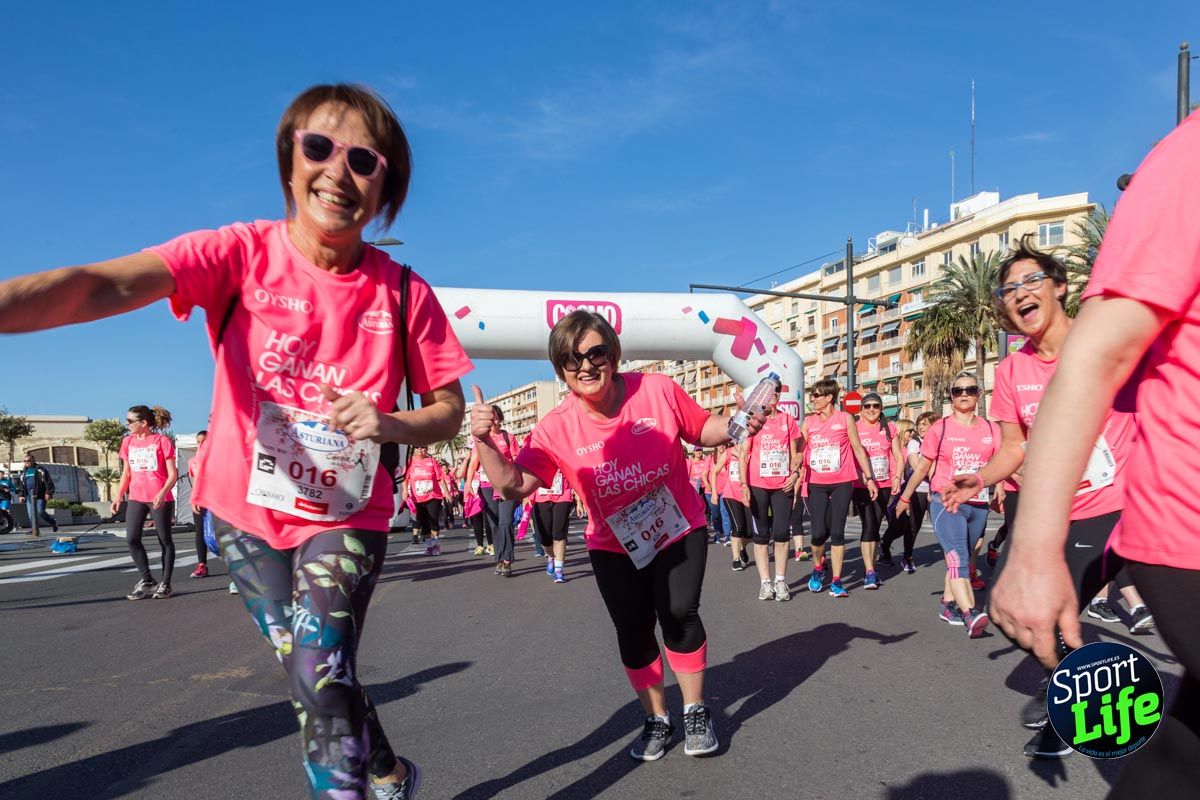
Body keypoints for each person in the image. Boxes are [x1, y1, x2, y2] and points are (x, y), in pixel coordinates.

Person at [0, 83, 473, 800]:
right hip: (244, 513)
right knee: (312, 672)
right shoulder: (238, 254)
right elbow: (102, 284)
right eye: (319, 148)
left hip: (345, 515)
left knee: (318, 671)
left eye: (364, 160)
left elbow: (447, 412)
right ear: (290, 162)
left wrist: (391, 424)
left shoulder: (405, 292)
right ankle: (387, 768)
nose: (338, 173)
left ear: (386, 189)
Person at [472, 309, 763, 762]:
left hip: (677, 525)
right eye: (572, 359)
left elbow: (702, 428)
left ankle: (694, 710)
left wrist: (737, 424)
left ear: (614, 353)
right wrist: (486, 443)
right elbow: (514, 484)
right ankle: (656, 718)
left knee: (679, 612)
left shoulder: (657, 390)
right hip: (613, 543)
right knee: (632, 628)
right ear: (561, 369)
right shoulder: (556, 425)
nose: (585, 365)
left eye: (595, 352)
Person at [941, 237, 1141, 759]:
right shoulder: (1012, 370)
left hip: (1108, 507)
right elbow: (1013, 447)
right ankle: (1089, 680)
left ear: (1061, 287)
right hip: (1043, 512)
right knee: (1008, 608)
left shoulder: (1105, 343)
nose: (1020, 294)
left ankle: (1076, 704)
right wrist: (979, 478)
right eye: (1009, 289)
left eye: (1031, 281)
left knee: (1055, 611)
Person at [897, 373, 995, 637]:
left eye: (971, 389)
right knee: (958, 557)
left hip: (979, 504)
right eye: (958, 390)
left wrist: (1005, 493)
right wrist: (905, 497)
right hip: (946, 501)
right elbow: (922, 469)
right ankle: (970, 613)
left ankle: (947, 604)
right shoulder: (940, 428)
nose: (964, 394)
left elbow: (1001, 465)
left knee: (967, 552)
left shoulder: (990, 429)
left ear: (979, 394)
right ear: (951, 396)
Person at [799, 379, 877, 598]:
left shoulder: (845, 419)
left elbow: (857, 448)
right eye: (812, 395)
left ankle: (836, 580)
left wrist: (869, 478)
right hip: (816, 483)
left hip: (842, 481)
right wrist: (795, 468)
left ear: (828, 397)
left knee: (837, 532)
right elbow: (799, 450)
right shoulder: (809, 423)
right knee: (818, 534)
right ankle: (817, 568)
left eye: (816, 395)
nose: (812, 399)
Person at [737, 379, 800, 601]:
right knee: (761, 535)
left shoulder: (788, 420)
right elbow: (743, 455)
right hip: (758, 486)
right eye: (768, 393)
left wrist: (794, 474)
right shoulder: (753, 422)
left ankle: (781, 581)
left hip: (783, 485)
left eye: (775, 393)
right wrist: (744, 485)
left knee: (782, 533)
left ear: (779, 396)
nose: (772, 396)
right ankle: (765, 583)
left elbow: (796, 454)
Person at [850, 392, 902, 590]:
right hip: (861, 485)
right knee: (869, 525)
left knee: (875, 525)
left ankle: (871, 567)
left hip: (885, 484)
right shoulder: (855, 428)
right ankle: (870, 571)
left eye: (876, 406)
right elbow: (851, 455)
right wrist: (860, 473)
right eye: (867, 406)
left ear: (881, 409)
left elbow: (897, 455)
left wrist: (897, 477)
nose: (872, 409)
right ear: (861, 409)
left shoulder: (889, 428)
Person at [466, 405, 518, 576]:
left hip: (507, 486)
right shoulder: (481, 439)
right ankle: (499, 559)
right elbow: (474, 463)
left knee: (506, 522)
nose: (493, 421)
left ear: (500, 418)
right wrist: (468, 484)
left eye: (495, 417)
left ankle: (507, 560)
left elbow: (518, 461)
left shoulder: (508, 438)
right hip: (487, 486)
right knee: (494, 524)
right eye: (490, 417)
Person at [710, 444, 751, 571]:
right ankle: (736, 559)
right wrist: (714, 492)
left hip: (747, 494)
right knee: (738, 526)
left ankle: (742, 547)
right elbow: (714, 471)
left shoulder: (752, 449)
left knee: (749, 532)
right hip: (731, 494)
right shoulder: (728, 452)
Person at [402, 446, 449, 555]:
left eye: (423, 448)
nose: (420, 450)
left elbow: (440, 478)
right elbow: (405, 478)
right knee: (423, 522)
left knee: (433, 519)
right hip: (417, 497)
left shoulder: (432, 461)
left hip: (433, 496)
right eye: (417, 448)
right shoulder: (410, 462)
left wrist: (446, 492)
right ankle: (429, 546)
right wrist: (405, 491)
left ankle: (435, 546)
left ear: (427, 450)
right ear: (414, 450)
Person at [532, 467, 576, 582]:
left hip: (563, 494)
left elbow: (573, 469)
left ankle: (559, 571)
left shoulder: (564, 449)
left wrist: (579, 498)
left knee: (559, 534)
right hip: (541, 496)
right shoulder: (537, 450)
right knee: (544, 538)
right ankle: (551, 556)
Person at [17, 454, 58, 537]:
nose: (27, 462)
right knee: (30, 514)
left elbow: (48, 482)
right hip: (29, 497)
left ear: (33, 461)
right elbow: (21, 485)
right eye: (25, 461)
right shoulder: (24, 473)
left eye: (28, 460)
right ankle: (34, 529)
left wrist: (48, 493)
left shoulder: (40, 470)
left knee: (40, 512)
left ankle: (53, 522)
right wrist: (21, 495)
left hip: (39, 496)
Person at [190, 429, 212, 578]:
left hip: (216, 500)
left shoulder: (218, 458)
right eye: (198, 441)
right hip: (200, 499)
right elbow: (195, 481)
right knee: (200, 532)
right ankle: (202, 565)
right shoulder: (192, 461)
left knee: (220, 534)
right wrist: (194, 498)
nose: (200, 444)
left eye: (203, 441)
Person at [706, 444, 732, 545]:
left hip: (725, 490)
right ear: (716, 446)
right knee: (716, 514)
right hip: (712, 490)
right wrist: (708, 485)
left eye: (724, 445)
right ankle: (717, 533)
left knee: (724, 511)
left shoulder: (728, 456)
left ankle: (727, 536)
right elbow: (705, 473)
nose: (722, 446)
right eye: (720, 445)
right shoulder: (711, 457)